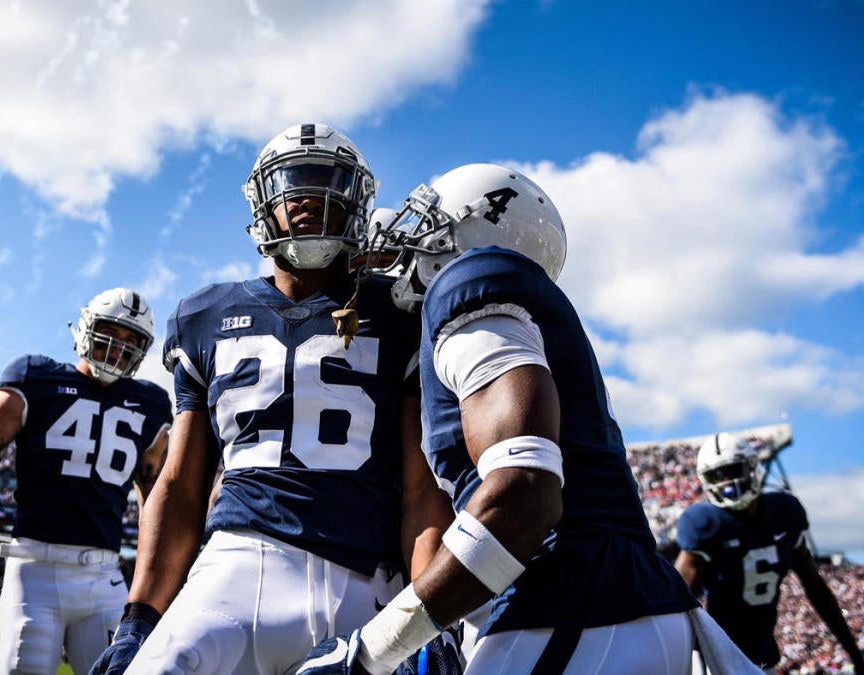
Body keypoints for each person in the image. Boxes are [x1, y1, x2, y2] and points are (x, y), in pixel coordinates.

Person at [300, 163, 710, 674]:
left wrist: (372, 649)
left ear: (471, 227)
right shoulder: (513, 312)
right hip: (603, 609)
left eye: (426, 219)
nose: (406, 234)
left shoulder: (469, 281)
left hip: (573, 606)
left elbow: (524, 491)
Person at [90, 123, 456, 675]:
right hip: (232, 566)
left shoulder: (402, 310)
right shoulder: (202, 314)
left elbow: (421, 491)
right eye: (293, 181)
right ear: (264, 200)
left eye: (326, 181)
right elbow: (182, 483)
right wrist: (140, 616)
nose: (308, 197)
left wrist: (431, 621)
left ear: (356, 199)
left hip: (363, 579)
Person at [0, 287, 172, 675]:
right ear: (86, 328)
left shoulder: (151, 405)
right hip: (34, 572)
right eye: (111, 333)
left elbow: (155, 497)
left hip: (104, 577)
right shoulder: (36, 377)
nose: (118, 348)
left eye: (131, 341)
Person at [675, 433, 864, 674]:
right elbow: (677, 602)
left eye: (734, 470)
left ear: (751, 467)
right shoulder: (704, 523)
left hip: (764, 655)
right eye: (718, 475)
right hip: (714, 659)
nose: (727, 482)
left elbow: (816, 589)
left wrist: (856, 656)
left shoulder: (784, 513)